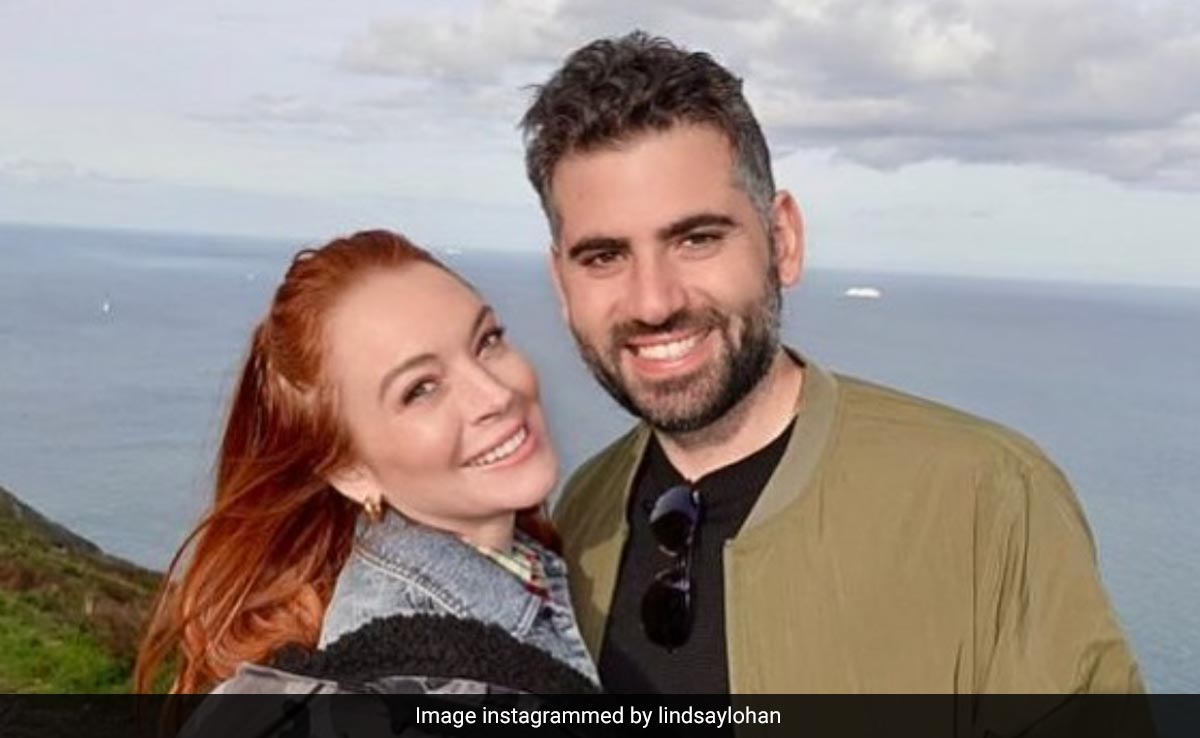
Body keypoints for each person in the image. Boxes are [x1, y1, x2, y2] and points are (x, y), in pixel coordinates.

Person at [521, 32, 1144, 694]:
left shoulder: (985, 499)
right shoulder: (582, 513)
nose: (654, 302)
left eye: (697, 239)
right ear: (562, 284)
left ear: (783, 240)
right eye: (604, 257)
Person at [134, 229, 598, 696]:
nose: (496, 395)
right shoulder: (425, 684)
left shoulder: (527, 567)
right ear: (349, 470)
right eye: (420, 389)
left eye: (487, 341)